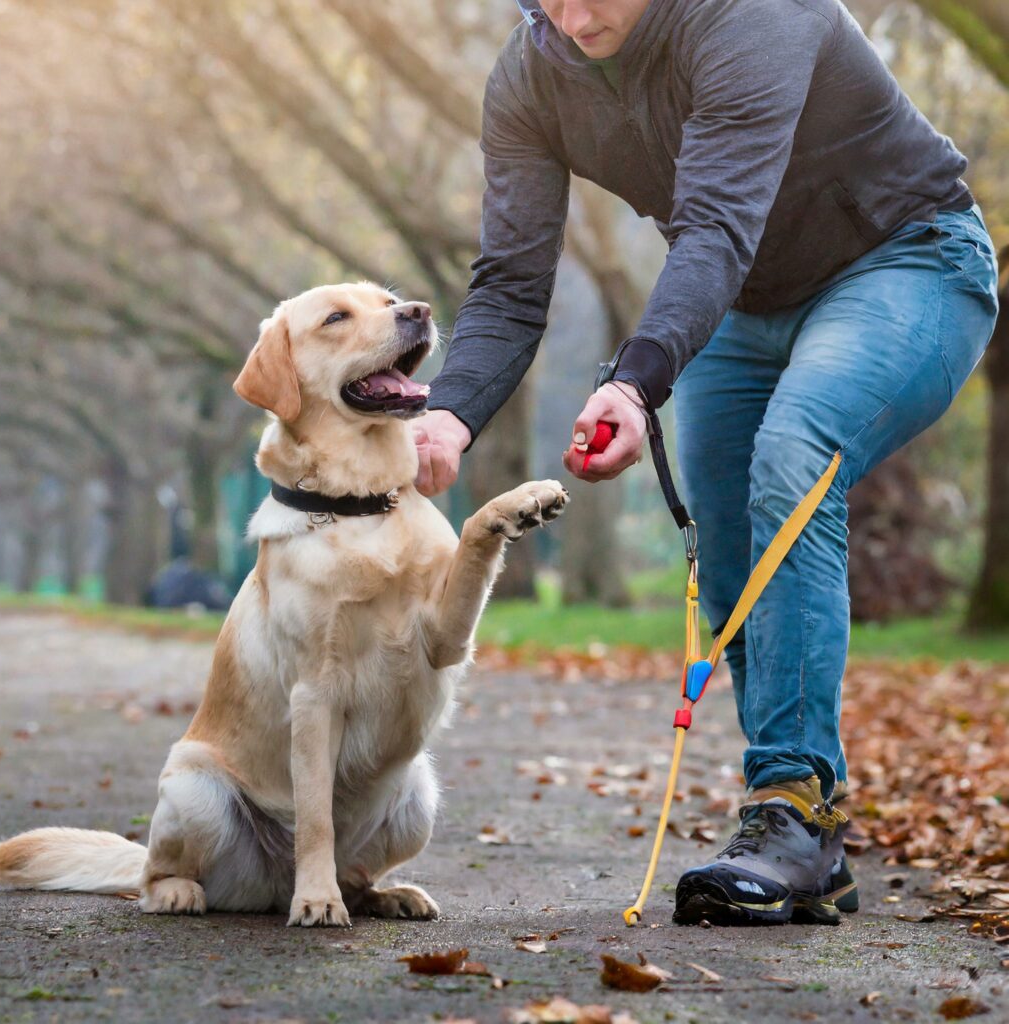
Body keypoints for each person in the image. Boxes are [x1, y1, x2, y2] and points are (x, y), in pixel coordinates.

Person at [414, 0, 999, 924]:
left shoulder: (755, 15)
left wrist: (636, 384)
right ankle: (803, 836)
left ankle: (791, 810)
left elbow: (719, 219)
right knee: (727, 549)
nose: (570, 18)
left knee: (793, 454)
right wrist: (447, 416)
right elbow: (512, 286)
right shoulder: (529, 77)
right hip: (744, 301)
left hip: (906, 261)